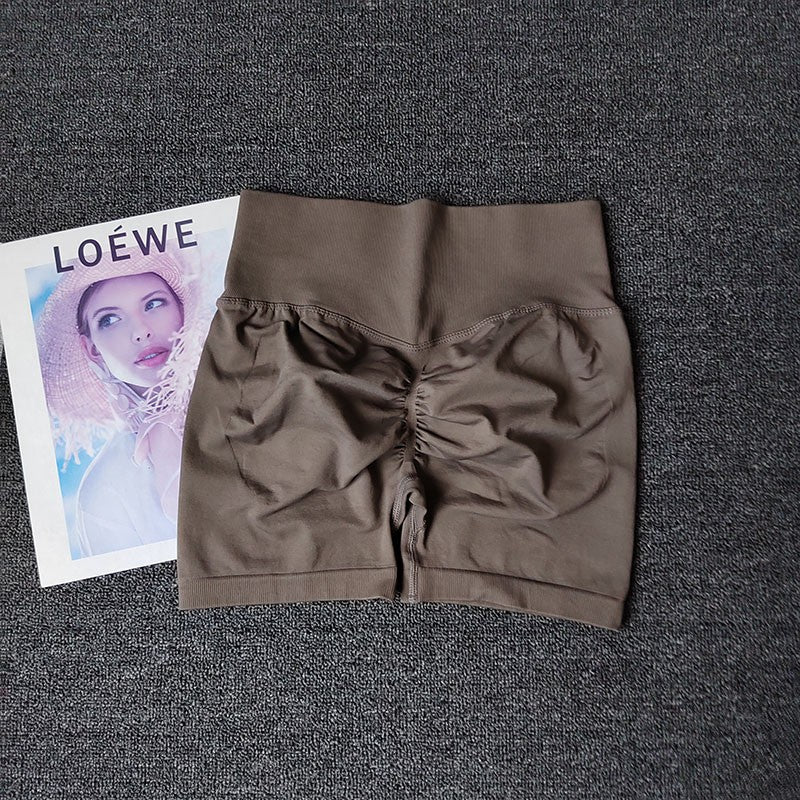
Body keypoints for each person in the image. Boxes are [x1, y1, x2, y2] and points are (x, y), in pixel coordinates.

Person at [36, 243, 209, 558]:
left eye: (153, 303)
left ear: (182, 310)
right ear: (91, 349)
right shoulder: (103, 493)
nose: (141, 331)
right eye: (110, 320)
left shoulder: (257, 397)